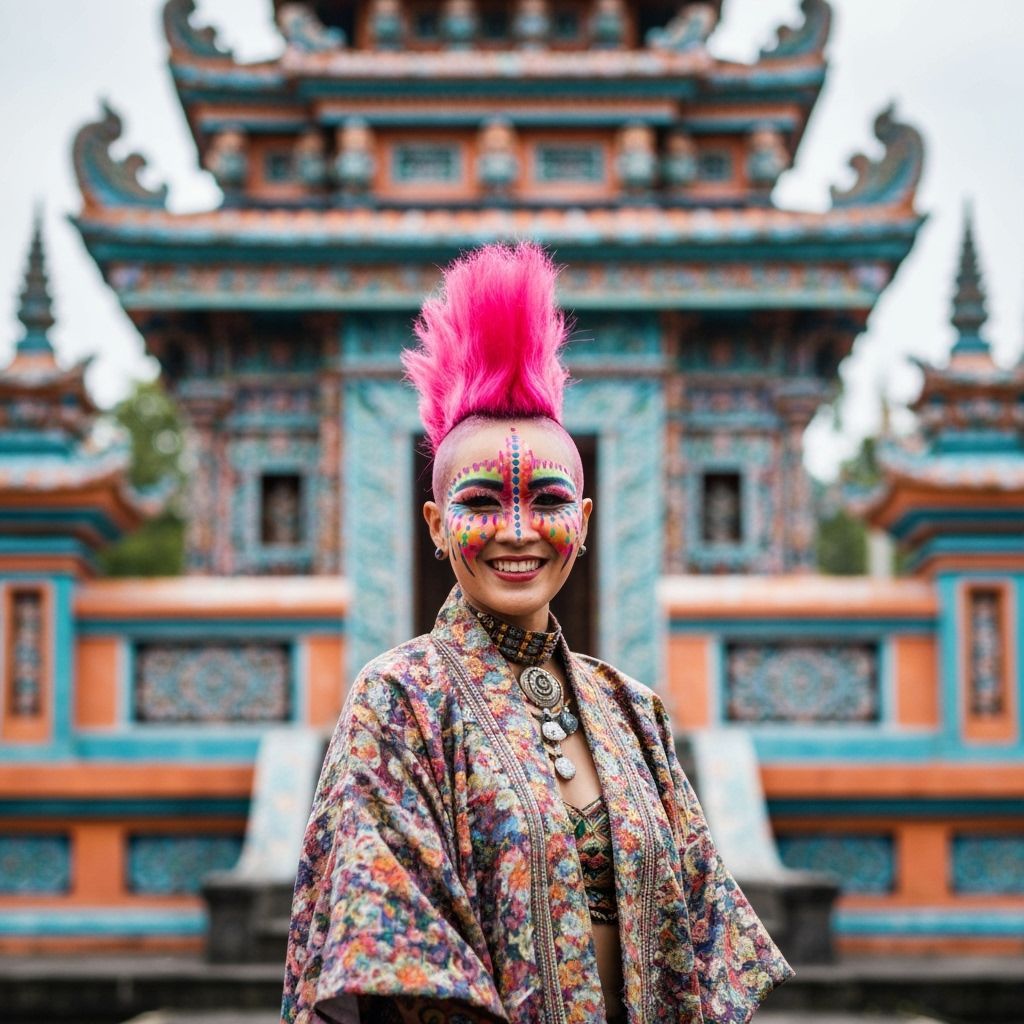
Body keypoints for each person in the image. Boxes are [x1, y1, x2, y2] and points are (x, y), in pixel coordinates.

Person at [282, 243, 792, 1024]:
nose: (517, 531)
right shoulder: (398, 703)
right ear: (436, 525)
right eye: (483, 501)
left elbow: (705, 946)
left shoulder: (634, 712)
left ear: (582, 525)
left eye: (547, 500)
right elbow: (397, 950)